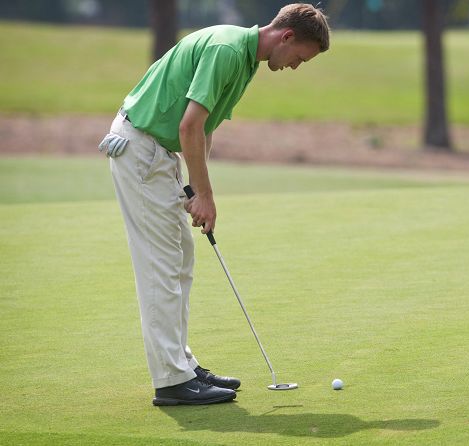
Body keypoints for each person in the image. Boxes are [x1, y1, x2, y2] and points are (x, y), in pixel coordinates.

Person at [99, 3, 330, 406]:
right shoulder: (227, 50)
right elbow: (189, 125)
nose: (296, 66)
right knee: (161, 267)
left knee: (182, 260)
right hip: (140, 149)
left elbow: (202, 130)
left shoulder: (246, 60)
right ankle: (171, 381)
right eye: (299, 58)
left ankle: (182, 365)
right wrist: (202, 196)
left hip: (160, 153)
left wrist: (199, 190)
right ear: (286, 37)